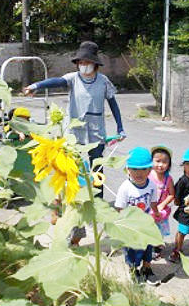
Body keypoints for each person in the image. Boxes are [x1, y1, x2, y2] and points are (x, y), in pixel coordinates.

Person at [24, 41, 125, 245]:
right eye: (81, 61)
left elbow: (113, 104)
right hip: (74, 134)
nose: (84, 65)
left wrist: (120, 127)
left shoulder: (103, 81)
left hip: (96, 133)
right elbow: (56, 81)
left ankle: (97, 210)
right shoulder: (73, 79)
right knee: (72, 173)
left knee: (98, 171)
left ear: (95, 64)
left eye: (88, 61)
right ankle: (71, 214)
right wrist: (36, 85)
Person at [114, 147, 161, 285]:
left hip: (146, 222)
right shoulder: (125, 188)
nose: (139, 173)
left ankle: (146, 268)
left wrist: (156, 212)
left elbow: (153, 201)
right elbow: (119, 208)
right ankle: (133, 270)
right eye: (134, 169)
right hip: (130, 224)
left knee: (148, 247)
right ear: (128, 169)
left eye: (143, 169)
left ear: (150, 170)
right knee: (132, 249)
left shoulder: (151, 185)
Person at [148, 145, 175, 260]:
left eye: (164, 162)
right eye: (157, 161)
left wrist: (162, 205)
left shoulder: (168, 179)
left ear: (169, 164)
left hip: (160, 211)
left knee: (158, 231)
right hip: (148, 209)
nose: (160, 165)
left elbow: (172, 194)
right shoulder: (148, 175)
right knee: (148, 229)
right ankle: (147, 247)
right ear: (151, 161)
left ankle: (157, 248)